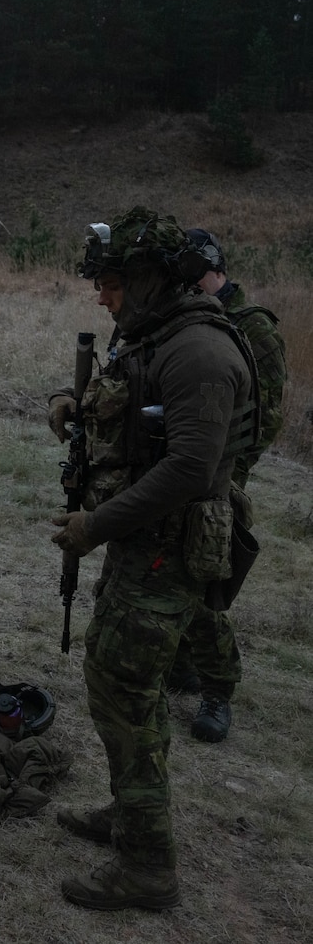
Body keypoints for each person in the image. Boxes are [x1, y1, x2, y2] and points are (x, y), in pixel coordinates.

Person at [47, 207, 254, 911]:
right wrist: (77, 404)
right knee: (118, 683)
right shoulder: (153, 336)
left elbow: (193, 468)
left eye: (108, 283)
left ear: (143, 279)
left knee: (126, 688)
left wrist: (95, 525)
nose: (100, 297)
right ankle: (130, 814)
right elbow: (139, 423)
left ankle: (147, 867)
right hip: (144, 545)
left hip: (166, 549)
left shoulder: (198, 351)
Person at [163, 228, 287, 743]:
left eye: (193, 278)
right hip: (177, 466)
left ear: (213, 270)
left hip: (219, 474)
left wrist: (231, 469)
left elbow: (270, 413)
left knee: (204, 579)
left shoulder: (251, 326)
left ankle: (219, 689)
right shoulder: (183, 319)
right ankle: (183, 666)